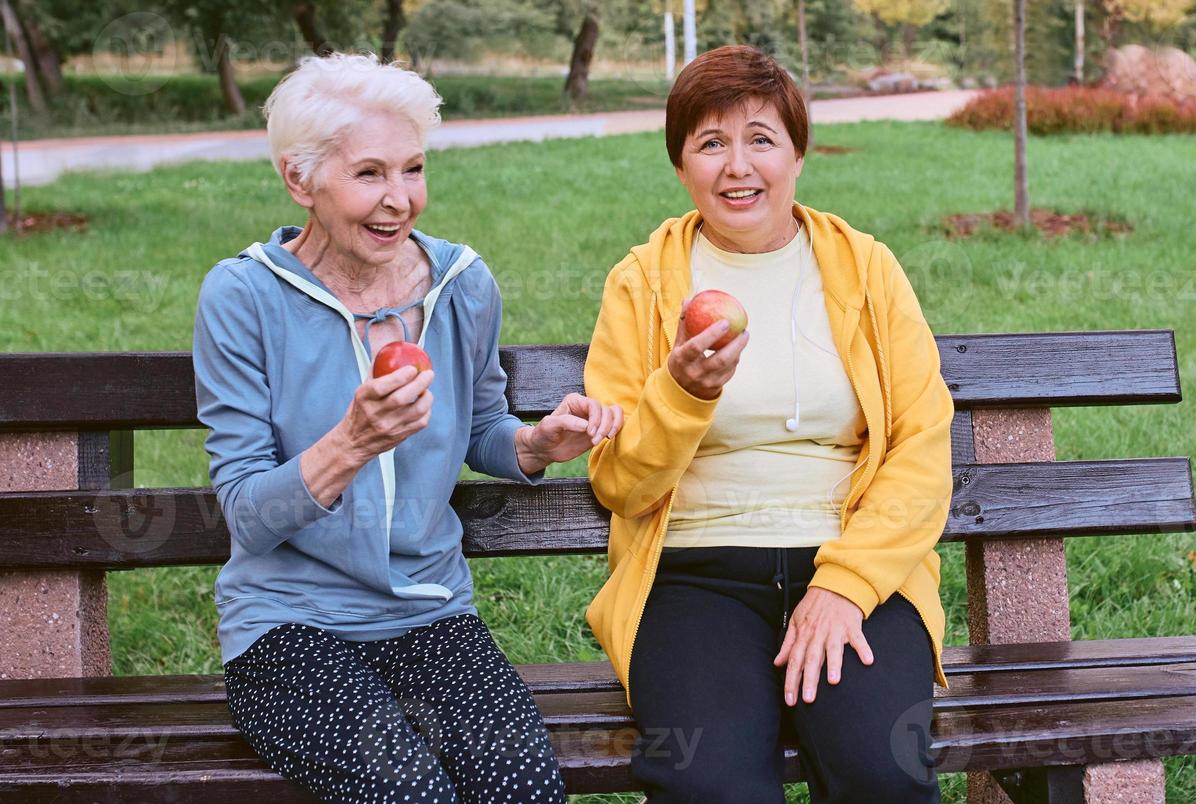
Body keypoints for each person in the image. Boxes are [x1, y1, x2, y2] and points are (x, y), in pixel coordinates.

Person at [193, 52, 623, 803]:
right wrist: (352, 440)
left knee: (522, 788)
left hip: (430, 610)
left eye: (413, 169)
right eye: (369, 174)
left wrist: (532, 444)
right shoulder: (243, 297)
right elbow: (247, 518)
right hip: (290, 626)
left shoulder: (461, 286)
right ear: (300, 181)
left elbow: (482, 422)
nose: (399, 200)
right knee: (407, 791)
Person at [583, 45, 953, 803]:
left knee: (883, 773)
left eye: (760, 138)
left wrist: (845, 587)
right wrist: (681, 393)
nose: (736, 166)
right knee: (711, 788)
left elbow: (920, 444)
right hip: (693, 574)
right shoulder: (643, 283)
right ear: (680, 166)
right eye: (710, 143)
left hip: (852, 569)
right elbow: (620, 484)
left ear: (797, 153)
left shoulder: (865, 269)